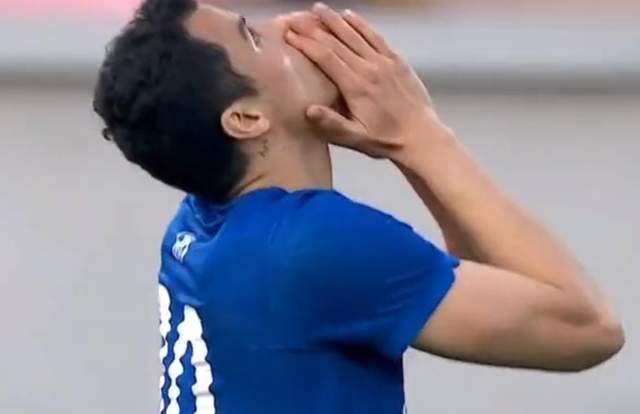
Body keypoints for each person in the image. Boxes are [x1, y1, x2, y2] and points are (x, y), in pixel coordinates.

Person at [93, 1, 625, 413]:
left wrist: (409, 146)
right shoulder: (313, 242)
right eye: (255, 36)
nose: (291, 23)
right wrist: (421, 134)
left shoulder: (200, 224)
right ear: (247, 119)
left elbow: (484, 288)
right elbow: (587, 329)